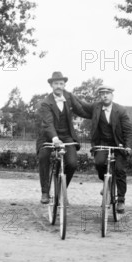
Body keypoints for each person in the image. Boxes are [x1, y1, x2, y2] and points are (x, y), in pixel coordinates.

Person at [75, 85, 132, 214]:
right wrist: (68, 95)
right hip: (102, 143)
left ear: (112, 95)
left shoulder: (121, 110)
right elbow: (82, 104)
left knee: (120, 170)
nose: (105, 96)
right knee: (99, 163)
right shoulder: (96, 107)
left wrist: (128, 146)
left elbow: (128, 131)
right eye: (102, 94)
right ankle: (105, 183)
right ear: (100, 96)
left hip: (119, 144)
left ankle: (121, 200)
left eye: (107, 93)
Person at [36, 71, 88, 204]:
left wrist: (97, 112)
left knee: (72, 163)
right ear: (51, 85)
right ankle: (45, 192)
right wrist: (54, 139)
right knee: (44, 157)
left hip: (66, 136)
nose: (59, 86)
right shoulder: (46, 103)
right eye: (56, 84)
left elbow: (81, 109)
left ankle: (61, 190)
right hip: (48, 136)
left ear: (64, 85)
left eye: (61, 83)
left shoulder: (69, 97)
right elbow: (48, 123)